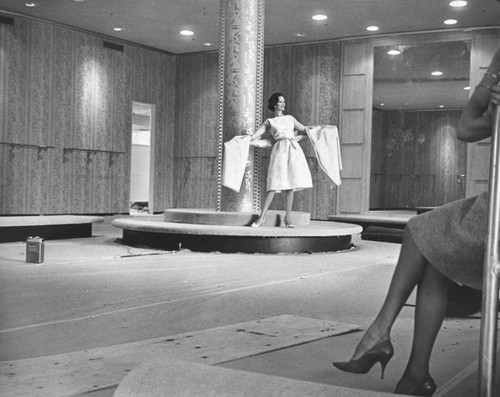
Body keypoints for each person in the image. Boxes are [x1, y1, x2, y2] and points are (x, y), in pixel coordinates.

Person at [332, 47, 500, 396]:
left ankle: (381, 337)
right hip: (495, 199)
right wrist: (492, 103)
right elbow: (466, 127)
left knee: (422, 232)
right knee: (428, 249)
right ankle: (413, 373)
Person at [250, 93, 312, 228]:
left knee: (290, 184)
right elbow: (255, 135)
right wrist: (245, 139)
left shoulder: (290, 118)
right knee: (273, 184)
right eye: (280, 102)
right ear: (274, 104)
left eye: (284, 101)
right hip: (279, 151)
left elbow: (304, 129)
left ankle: (288, 218)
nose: (283, 104)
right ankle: (262, 218)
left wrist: (319, 131)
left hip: (293, 150)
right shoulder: (270, 122)